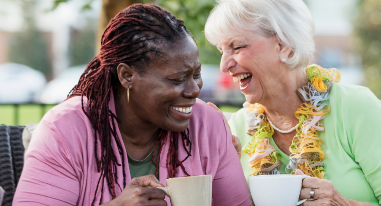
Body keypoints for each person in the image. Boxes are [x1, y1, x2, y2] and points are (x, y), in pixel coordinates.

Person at [13, 4, 252, 206]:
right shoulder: (65, 131)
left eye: (196, 74)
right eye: (176, 79)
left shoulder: (206, 124)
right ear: (127, 76)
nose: (194, 90)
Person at [204, 0, 381, 205]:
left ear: (284, 46)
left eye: (237, 47)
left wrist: (344, 204)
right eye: (221, 51)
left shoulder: (355, 108)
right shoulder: (239, 127)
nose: (224, 65)